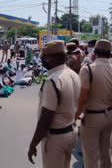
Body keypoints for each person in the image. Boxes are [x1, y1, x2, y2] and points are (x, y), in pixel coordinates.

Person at [28, 40, 80, 168]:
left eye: (43, 58)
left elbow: (45, 119)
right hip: (71, 132)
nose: (42, 61)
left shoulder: (52, 81)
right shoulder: (73, 74)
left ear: (50, 59)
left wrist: (33, 144)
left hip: (56, 138)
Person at [75, 39, 112, 168]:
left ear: (94, 52)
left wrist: (74, 118)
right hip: (109, 116)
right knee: (105, 153)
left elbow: (82, 99)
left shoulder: (88, 69)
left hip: (92, 117)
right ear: (110, 54)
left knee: (90, 156)